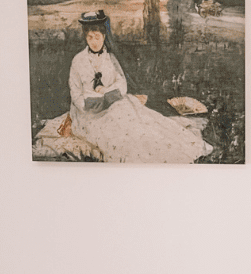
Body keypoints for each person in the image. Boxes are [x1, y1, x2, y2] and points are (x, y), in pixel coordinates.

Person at [63, 10, 211, 164]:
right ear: (85, 38)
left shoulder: (110, 58)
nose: (94, 41)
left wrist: (107, 94)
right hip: (88, 112)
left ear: (104, 37)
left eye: (97, 37)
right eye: (90, 37)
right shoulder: (78, 61)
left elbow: (121, 83)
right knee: (116, 131)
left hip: (112, 102)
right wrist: (88, 105)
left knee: (138, 122)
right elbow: (75, 92)